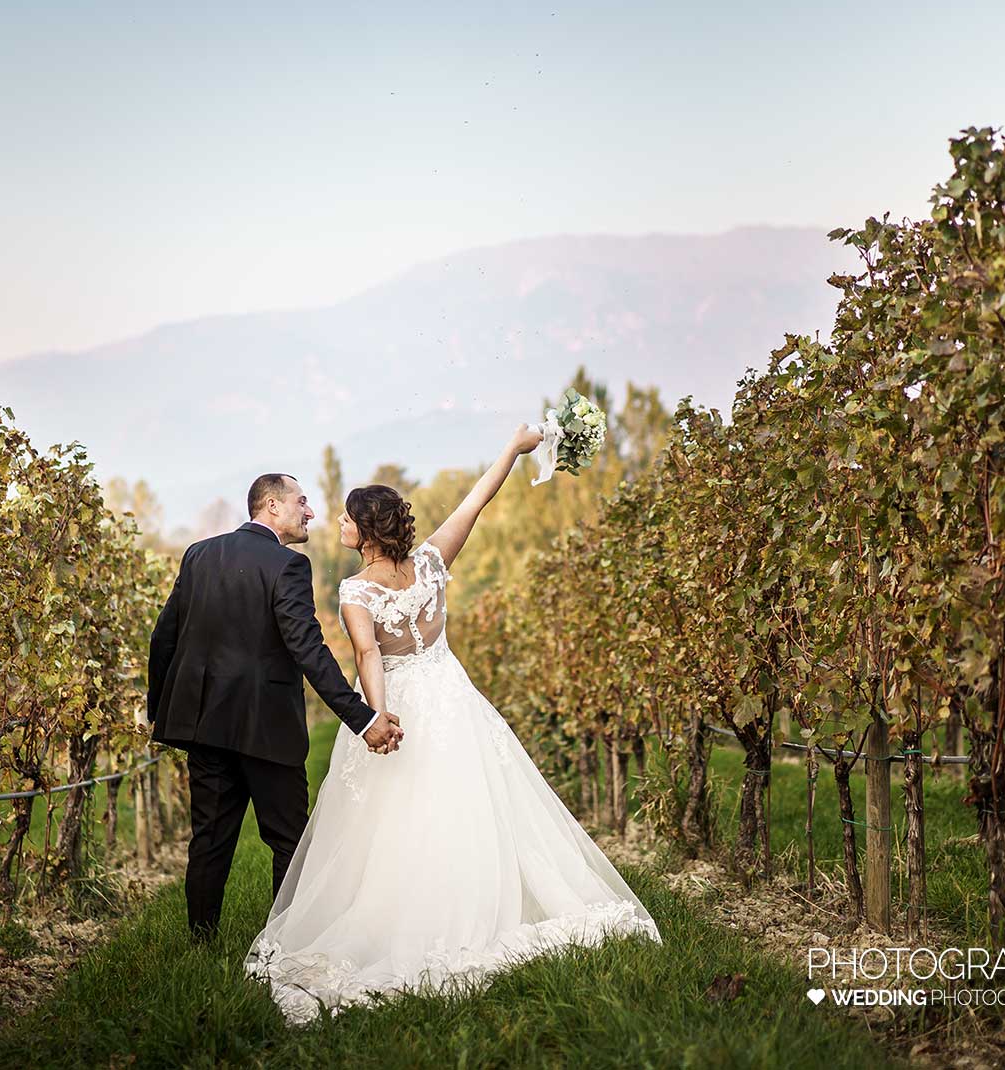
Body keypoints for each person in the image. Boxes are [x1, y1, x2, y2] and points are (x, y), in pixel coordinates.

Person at [242, 424, 662, 1023]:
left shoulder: (356, 590)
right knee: (472, 804)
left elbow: (367, 657)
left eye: (345, 517)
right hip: (452, 697)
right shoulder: (434, 563)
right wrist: (514, 451)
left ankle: (410, 918)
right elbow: (477, 499)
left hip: (403, 701)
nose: (336, 523)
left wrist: (378, 719)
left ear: (364, 531)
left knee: (393, 820)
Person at [147, 472, 405, 942]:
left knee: (209, 839)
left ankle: (201, 942)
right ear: (271, 506)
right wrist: (362, 717)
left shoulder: (199, 554)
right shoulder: (288, 565)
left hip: (203, 724)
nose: (310, 512)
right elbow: (308, 650)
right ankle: (283, 943)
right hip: (267, 729)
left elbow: (163, 636)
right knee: (288, 839)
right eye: (301, 502)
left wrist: (162, 712)